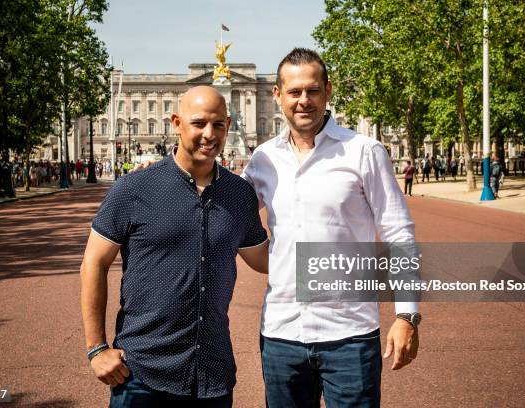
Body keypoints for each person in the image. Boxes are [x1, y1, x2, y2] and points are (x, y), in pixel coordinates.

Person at [242, 48, 420, 407]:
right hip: (281, 334)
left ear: (328, 91)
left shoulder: (364, 151)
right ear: (278, 95)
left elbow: (399, 234)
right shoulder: (263, 158)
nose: (303, 101)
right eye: (294, 92)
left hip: (350, 334)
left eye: (312, 90)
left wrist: (407, 314)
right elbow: (226, 213)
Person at [80, 85, 269, 408]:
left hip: (212, 373)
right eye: (199, 123)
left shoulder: (239, 194)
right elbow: (93, 264)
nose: (209, 134)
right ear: (176, 123)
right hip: (141, 372)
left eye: (219, 124)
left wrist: (358, 262)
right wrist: (97, 348)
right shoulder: (134, 188)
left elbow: (265, 258)